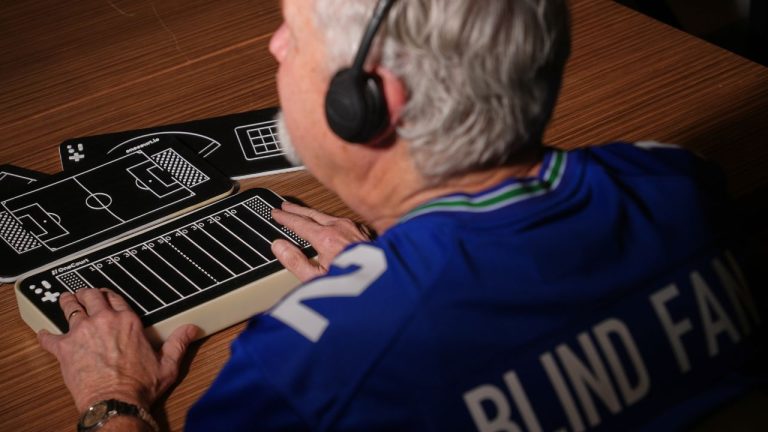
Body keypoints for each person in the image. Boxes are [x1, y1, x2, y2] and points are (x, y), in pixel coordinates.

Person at [38, 0, 764, 430]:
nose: (274, 44)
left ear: (364, 101)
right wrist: (396, 266)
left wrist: (114, 397)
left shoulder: (302, 367)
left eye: (293, 29)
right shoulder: (677, 182)